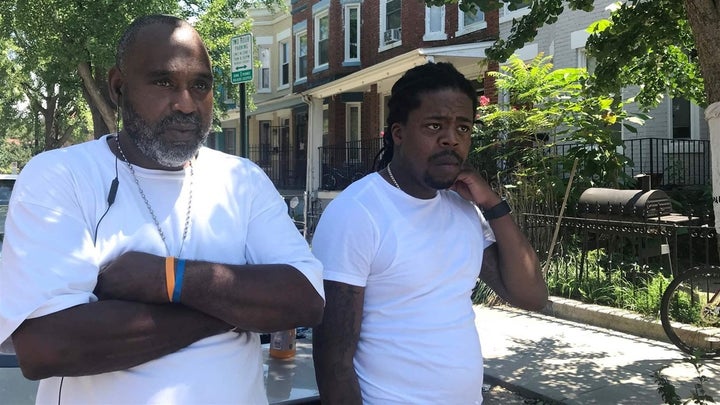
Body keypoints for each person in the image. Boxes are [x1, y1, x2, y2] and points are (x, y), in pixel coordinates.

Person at [0, 14, 324, 404]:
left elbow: (305, 300)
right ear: (119, 86)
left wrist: (168, 279)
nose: (186, 104)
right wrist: (236, 310)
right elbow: (47, 346)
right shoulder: (61, 176)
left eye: (200, 85)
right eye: (164, 82)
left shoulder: (242, 180)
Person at [311, 62, 547, 404]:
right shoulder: (358, 213)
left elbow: (531, 296)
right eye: (434, 125)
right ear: (398, 133)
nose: (451, 138)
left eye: (463, 128)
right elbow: (334, 364)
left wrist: (493, 204)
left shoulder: (464, 209)